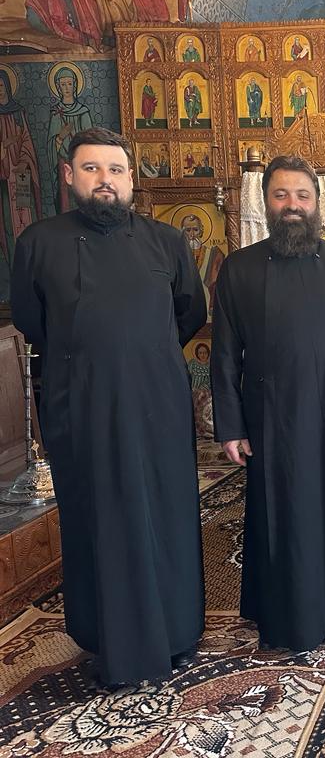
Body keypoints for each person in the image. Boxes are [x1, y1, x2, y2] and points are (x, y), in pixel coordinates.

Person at [11, 127, 206, 685]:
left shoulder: (166, 241)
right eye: (92, 168)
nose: (105, 180)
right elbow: (31, 318)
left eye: (115, 170)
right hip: (82, 405)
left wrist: (138, 355)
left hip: (157, 405)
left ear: (130, 179)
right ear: (69, 176)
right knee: (97, 516)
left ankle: (177, 631)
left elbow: (189, 312)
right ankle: (107, 638)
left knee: (166, 512)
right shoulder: (40, 243)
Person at [212, 155, 325, 649]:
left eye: (302, 196)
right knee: (284, 514)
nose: (292, 205)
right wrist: (231, 426)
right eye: (281, 195)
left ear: (316, 203)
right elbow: (225, 354)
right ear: (266, 202)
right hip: (273, 418)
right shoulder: (240, 269)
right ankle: (291, 619)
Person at [0, 68, 43, 301]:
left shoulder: (18, 113)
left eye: (1, 86)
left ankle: (30, 276)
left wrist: (24, 162)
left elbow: (27, 141)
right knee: (7, 226)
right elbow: (9, 142)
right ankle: (11, 278)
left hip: (22, 178)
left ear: (7, 86)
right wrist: (5, 145)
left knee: (25, 223)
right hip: (3, 182)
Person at [47, 66, 93, 213]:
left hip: (81, 163)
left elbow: (91, 140)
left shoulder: (83, 112)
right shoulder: (56, 113)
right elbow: (50, 145)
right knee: (65, 203)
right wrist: (60, 136)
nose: (67, 88)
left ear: (75, 85)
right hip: (63, 165)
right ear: (58, 87)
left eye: (69, 83)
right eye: (63, 84)